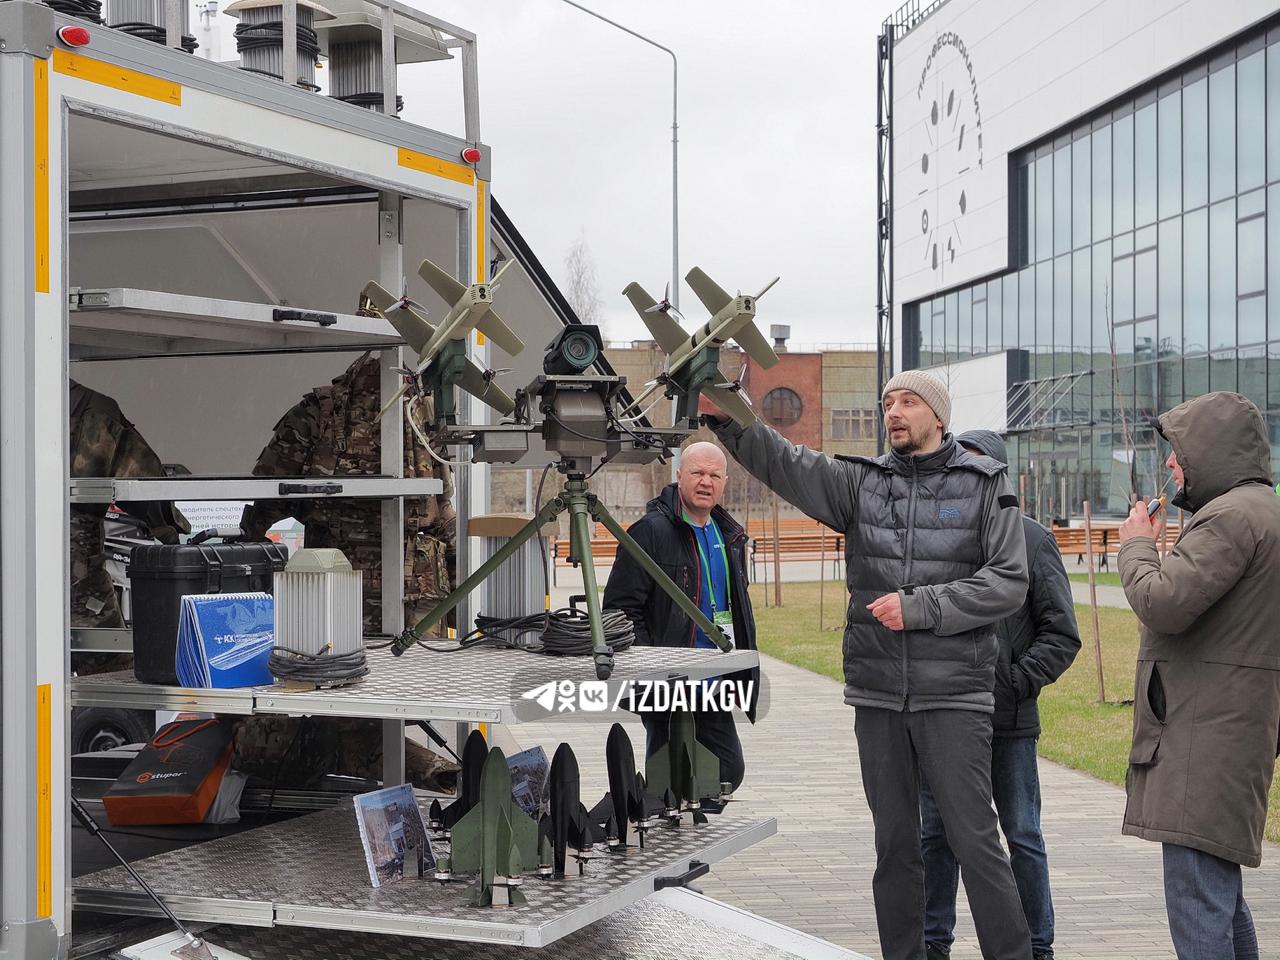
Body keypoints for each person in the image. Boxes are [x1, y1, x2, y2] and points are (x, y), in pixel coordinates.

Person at [707, 369, 1031, 960]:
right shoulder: (862, 483)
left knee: (975, 841)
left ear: (938, 414)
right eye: (887, 403)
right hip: (879, 696)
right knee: (895, 847)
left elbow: (1009, 582)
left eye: (908, 402)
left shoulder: (985, 483)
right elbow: (788, 462)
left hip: (954, 696)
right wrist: (732, 421)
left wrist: (922, 607)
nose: (894, 412)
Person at [235, 351, 459, 792]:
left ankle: (405, 769)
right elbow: (445, 512)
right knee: (388, 700)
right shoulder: (422, 413)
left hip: (337, 590)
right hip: (420, 595)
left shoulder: (319, 410)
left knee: (340, 701)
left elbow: (265, 504)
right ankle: (422, 771)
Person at [1117, 391, 1280, 960]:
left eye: (1178, 450)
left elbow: (1162, 602)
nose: (1169, 464)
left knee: (1198, 907)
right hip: (1228, 735)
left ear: (1211, 449)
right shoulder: (1260, 511)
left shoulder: (1231, 517)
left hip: (1203, 742)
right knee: (1220, 902)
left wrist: (1137, 547)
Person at [921, 429, 1080, 960]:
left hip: (1008, 723)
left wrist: (1015, 682)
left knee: (1022, 837)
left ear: (999, 475)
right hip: (942, 718)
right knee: (936, 836)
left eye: (977, 468)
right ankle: (930, 944)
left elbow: (1061, 633)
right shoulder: (934, 539)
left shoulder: (1033, 540)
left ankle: (1037, 946)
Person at [602, 440, 759, 792]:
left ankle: (688, 823)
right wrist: (652, 666)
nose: (706, 482)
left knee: (727, 771)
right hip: (667, 677)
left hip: (714, 676)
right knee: (669, 777)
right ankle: (664, 832)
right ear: (679, 476)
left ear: (725, 481)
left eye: (715, 475)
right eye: (698, 473)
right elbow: (619, 610)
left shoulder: (728, 533)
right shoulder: (651, 532)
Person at [69, 380, 190, 673]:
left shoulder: (92, 409)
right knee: (109, 674)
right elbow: (144, 482)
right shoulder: (92, 409)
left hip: (72, 574)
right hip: (76, 576)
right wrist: (171, 534)